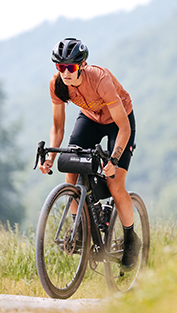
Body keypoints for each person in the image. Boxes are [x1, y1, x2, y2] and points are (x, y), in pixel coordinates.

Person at [38, 38, 141, 270]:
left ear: (82, 65)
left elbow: (124, 128)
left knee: (115, 184)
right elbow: (58, 127)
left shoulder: (100, 79)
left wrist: (114, 160)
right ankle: (81, 229)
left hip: (119, 121)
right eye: (59, 67)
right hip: (90, 118)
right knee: (71, 170)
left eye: (70, 67)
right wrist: (50, 158)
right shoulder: (57, 84)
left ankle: (131, 238)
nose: (65, 72)